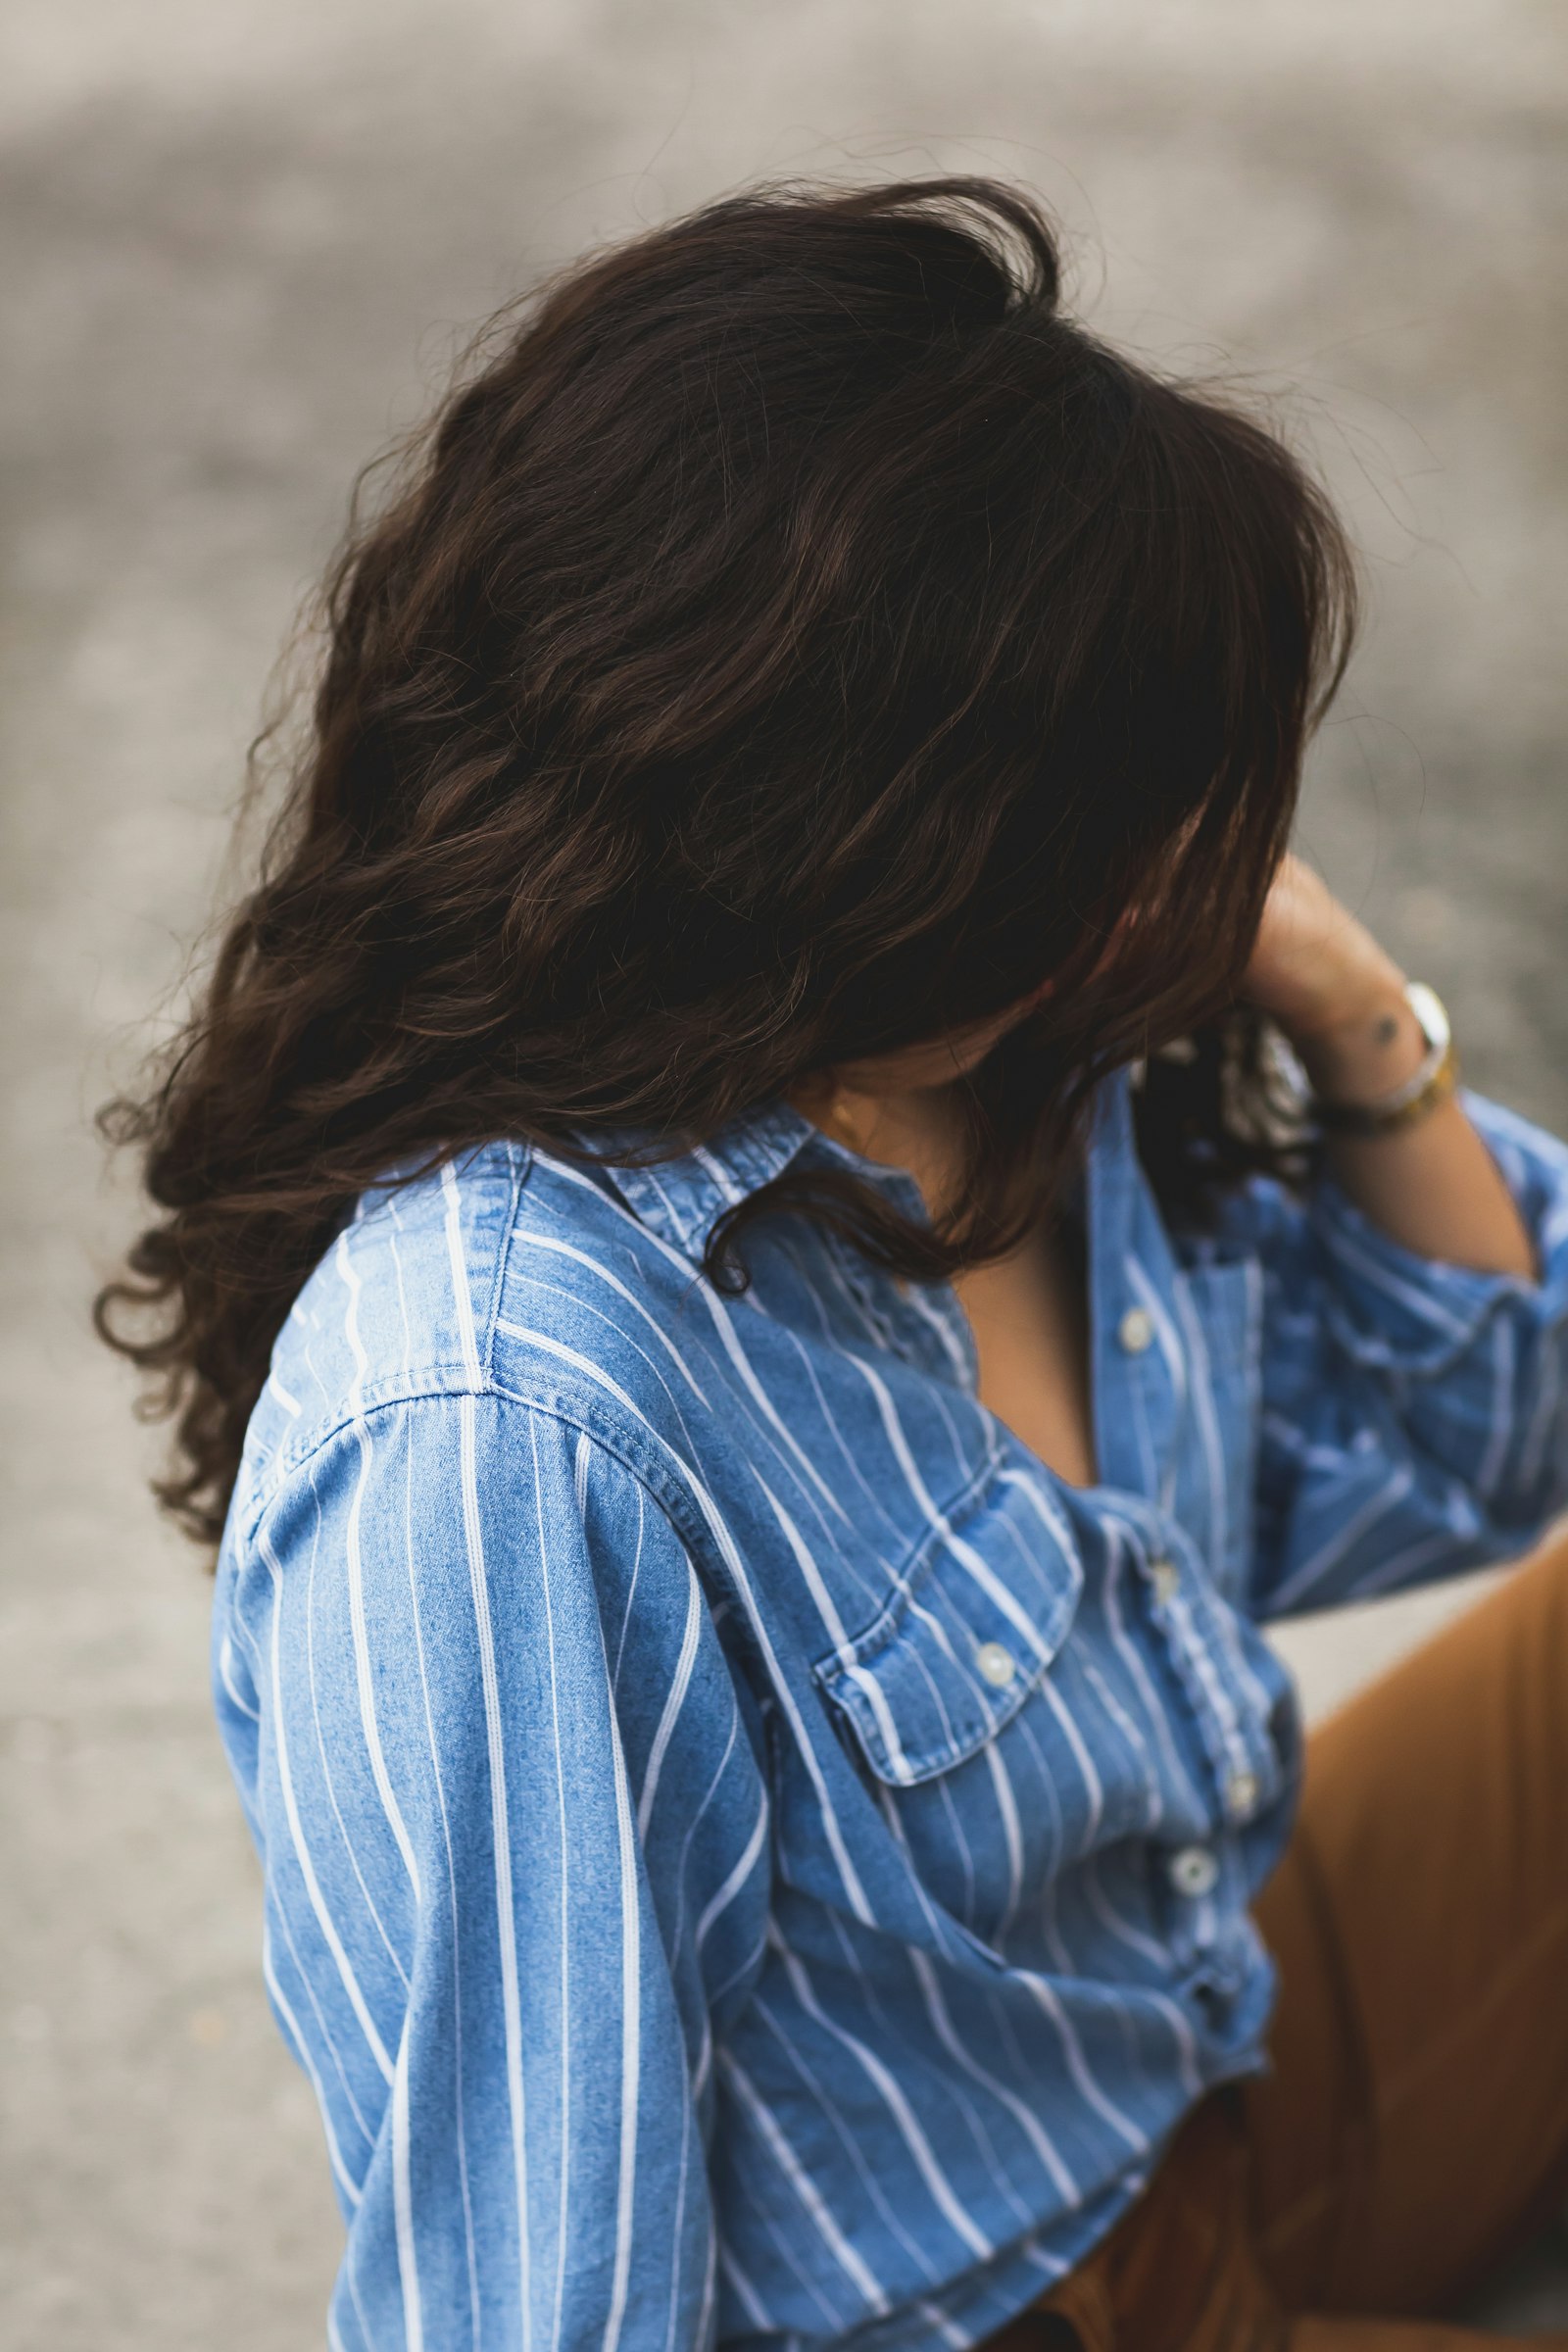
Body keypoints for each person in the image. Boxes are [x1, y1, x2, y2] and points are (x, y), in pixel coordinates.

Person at [97, 176, 1568, 2352]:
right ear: (846, 834)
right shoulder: (501, 1425)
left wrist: (1354, 1016)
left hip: (1191, 2055)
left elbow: (1491, 1433)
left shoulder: (1005, 1056)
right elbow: (541, 2295)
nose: (1180, 870)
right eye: (1117, 814)